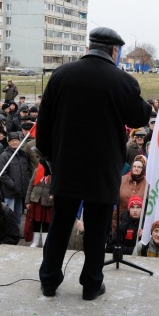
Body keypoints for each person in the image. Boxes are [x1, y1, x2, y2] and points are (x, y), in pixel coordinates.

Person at [37, 26, 152, 300]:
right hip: (102, 170)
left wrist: (50, 159)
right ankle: (91, 285)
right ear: (114, 51)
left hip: (67, 166)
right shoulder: (121, 80)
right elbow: (138, 118)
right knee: (97, 228)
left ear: (89, 46)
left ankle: (49, 281)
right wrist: (145, 103)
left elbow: (44, 123)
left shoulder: (61, 74)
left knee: (60, 225)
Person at [0, 131, 30, 227]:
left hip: (20, 192)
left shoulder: (23, 155)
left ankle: (17, 231)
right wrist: (13, 185)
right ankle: (8, 232)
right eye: (12, 141)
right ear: (8, 142)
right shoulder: (4, 155)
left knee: (19, 212)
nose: (14, 142)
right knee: (9, 213)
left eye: (16, 140)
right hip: (10, 191)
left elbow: (26, 171)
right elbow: (2, 174)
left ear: (19, 141)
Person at [113, 155, 147, 234]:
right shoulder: (122, 180)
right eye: (134, 166)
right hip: (119, 219)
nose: (136, 168)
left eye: (139, 167)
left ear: (143, 169)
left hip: (138, 223)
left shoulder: (147, 184)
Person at [25, 165, 53, 248]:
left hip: (47, 201)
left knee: (46, 222)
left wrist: (53, 195)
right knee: (36, 221)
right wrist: (27, 201)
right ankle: (35, 242)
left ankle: (45, 242)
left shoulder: (53, 172)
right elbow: (30, 185)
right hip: (35, 200)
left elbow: (56, 186)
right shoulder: (37, 170)